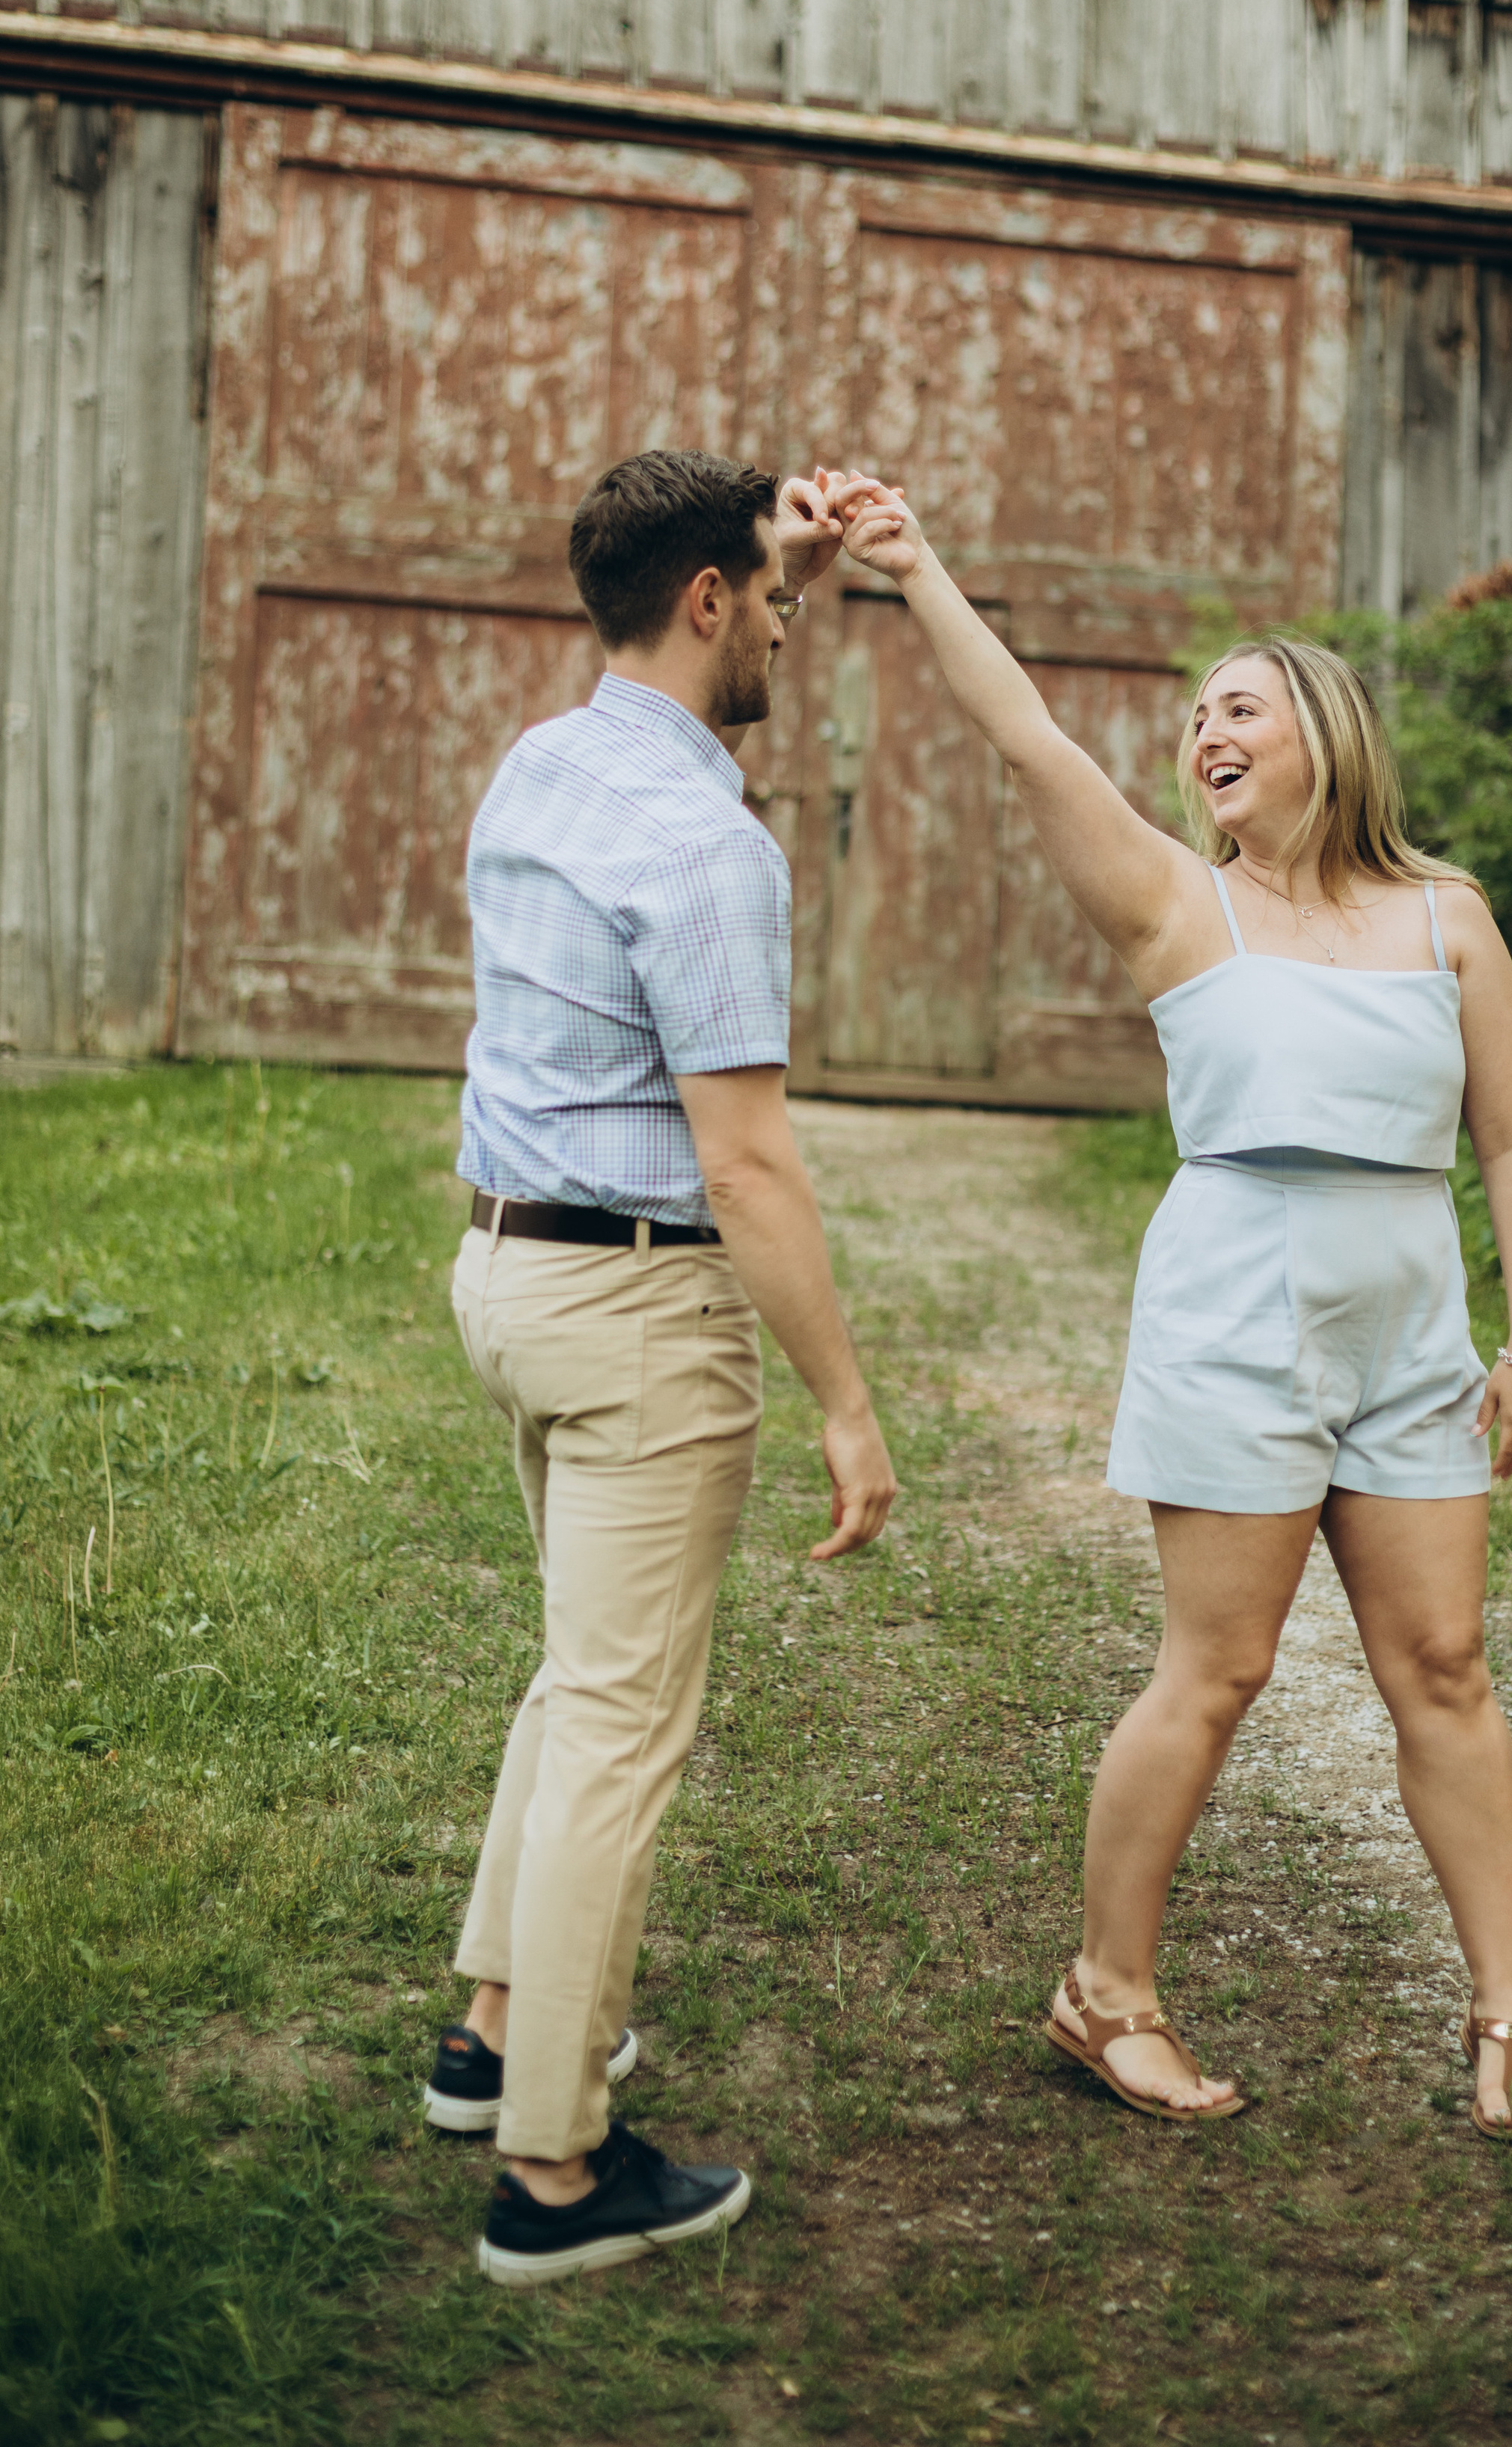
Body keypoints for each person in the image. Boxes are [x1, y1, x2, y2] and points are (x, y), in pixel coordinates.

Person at [833, 474, 1512, 2144]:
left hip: (1407, 1333)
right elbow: (1026, 739)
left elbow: (1509, 1135)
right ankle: (1108, 1995)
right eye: (1191, 722)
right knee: (1215, 1672)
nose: (1200, 734)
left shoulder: (1446, 917)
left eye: (1235, 707)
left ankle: (1505, 2015)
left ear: (1322, 730)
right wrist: (916, 567)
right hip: (1233, 1316)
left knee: (1442, 1664)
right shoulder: (1178, 900)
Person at [426, 450, 899, 2285]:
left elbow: (688, 636)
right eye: (770, 597)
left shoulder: (543, 763)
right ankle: (553, 2169)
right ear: (706, 600)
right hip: (636, 1319)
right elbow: (747, 1164)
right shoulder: (712, 846)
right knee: (624, 1726)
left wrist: (764, 544)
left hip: (508, 1282)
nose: (787, 620)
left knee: (577, 1681)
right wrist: (847, 1404)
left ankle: (489, 2033)